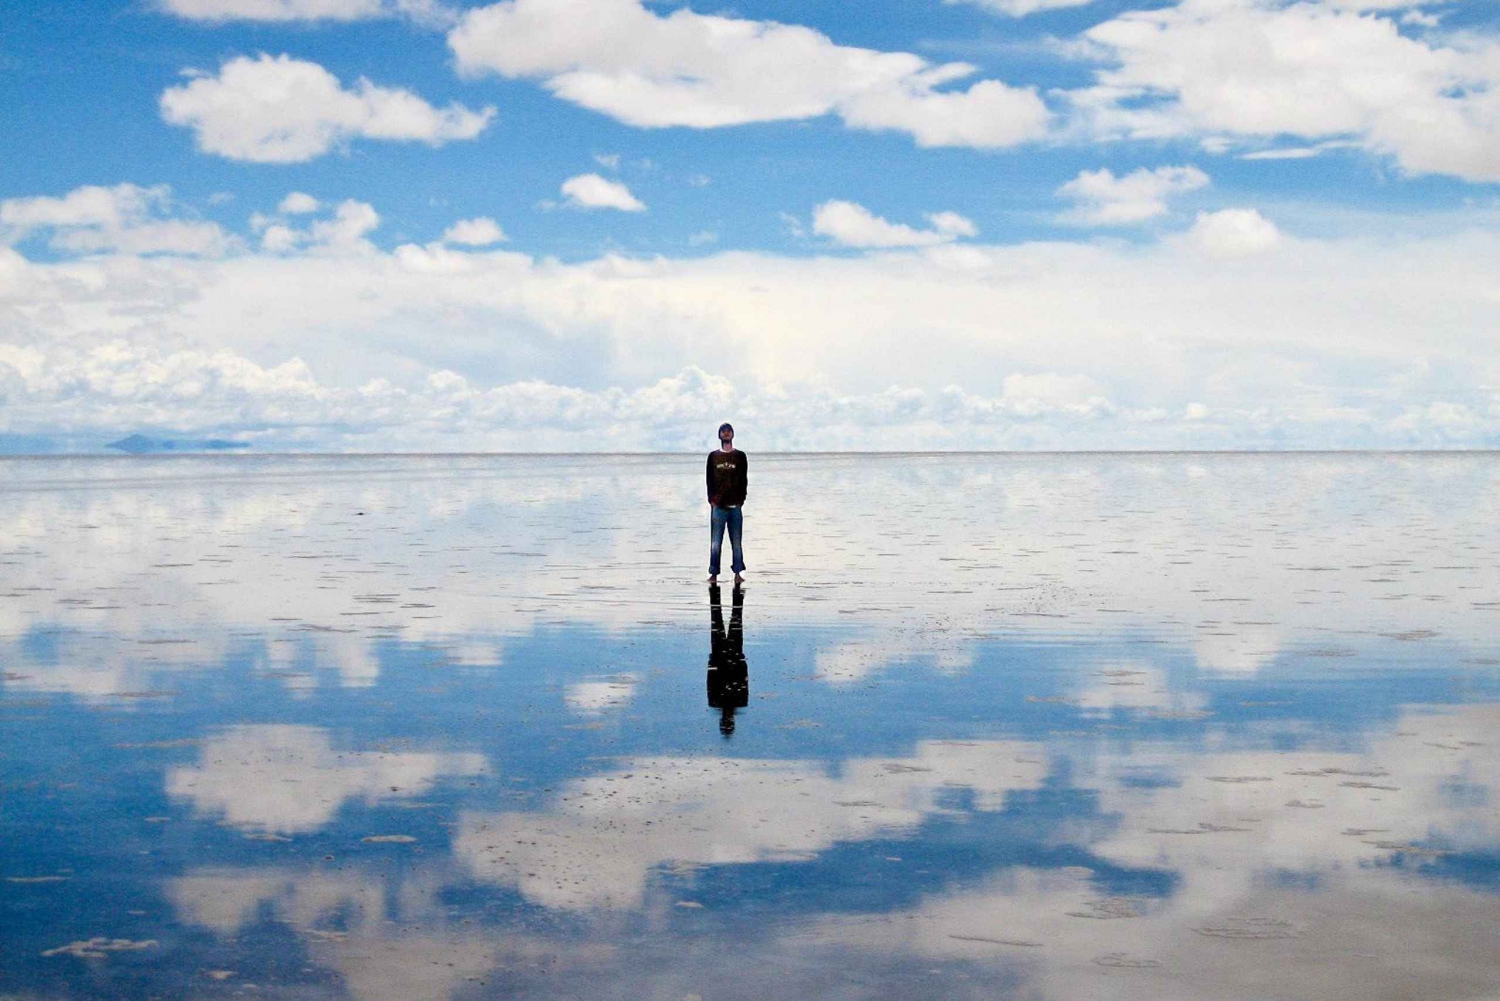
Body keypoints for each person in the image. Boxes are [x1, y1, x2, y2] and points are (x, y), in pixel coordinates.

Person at [705, 422, 747, 584]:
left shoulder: (740, 456)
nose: (726, 433)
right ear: (719, 435)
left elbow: (744, 479)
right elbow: (709, 480)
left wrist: (741, 499)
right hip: (718, 507)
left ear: (733, 434)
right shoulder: (713, 457)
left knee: (736, 542)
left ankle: (738, 574)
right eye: (723, 431)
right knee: (715, 542)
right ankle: (713, 574)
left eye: (729, 431)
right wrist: (712, 501)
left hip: (735, 506)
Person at [706, 583, 748, 736]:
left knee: (719, 616)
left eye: (725, 721)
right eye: (728, 721)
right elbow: (744, 680)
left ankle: (724, 591)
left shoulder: (716, 703)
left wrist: (711, 662)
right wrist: (742, 660)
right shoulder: (740, 703)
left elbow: (711, 682)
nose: (727, 718)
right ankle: (734, 591)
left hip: (720, 657)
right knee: (733, 617)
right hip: (733, 657)